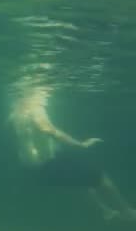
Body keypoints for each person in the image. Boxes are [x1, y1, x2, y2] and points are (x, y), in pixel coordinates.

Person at [9, 86, 136, 221]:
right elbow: (49, 130)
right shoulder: (35, 110)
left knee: (80, 179)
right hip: (47, 163)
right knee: (101, 178)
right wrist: (81, 145)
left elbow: (22, 139)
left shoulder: (14, 114)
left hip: (31, 166)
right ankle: (128, 212)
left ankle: (105, 210)